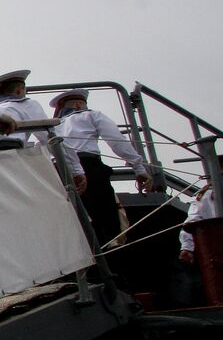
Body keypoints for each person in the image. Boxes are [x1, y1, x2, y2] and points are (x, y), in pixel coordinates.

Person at [50, 89, 152, 247]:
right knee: (105, 217)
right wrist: (139, 168)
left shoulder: (52, 127)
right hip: (88, 166)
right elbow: (116, 141)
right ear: (79, 104)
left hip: (57, 171)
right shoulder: (90, 115)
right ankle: (109, 254)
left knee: (72, 220)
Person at [0, 69, 86, 193]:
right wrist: (76, 170)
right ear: (19, 90)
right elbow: (49, 137)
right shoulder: (25, 104)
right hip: (6, 157)